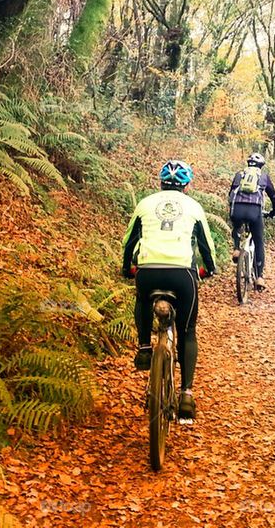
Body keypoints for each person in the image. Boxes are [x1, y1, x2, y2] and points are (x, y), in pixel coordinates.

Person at [122, 160, 216, 422]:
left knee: (142, 298)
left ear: (161, 183)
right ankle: (186, 394)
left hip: (148, 271)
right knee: (188, 331)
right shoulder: (194, 207)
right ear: (187, 186)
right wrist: (209, 269)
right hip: (182, 275)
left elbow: (129, 241)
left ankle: (144, 347)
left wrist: (127, 267)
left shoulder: (145, 203)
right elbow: (206, 245)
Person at [228, 152, 275, 290]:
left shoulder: (239, 175)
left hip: (237, 209)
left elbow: (231, 193)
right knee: (258, 241)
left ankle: (236, 248)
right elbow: (274, 196)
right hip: (254, 211)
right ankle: (260, 277)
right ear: (261, 165)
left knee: (237, 226)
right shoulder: (263, 177)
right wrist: (274, 212)